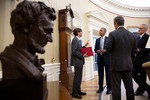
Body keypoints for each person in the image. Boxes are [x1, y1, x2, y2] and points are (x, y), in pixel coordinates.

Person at [0, 0, 56, 100]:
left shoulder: (31, 61)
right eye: (47, 31)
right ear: (26, 26)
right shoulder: (10, 59)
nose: (50, 39)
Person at [106, 16, 136, 100]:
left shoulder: (112, 34)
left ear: (115, 23)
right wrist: (131, 61)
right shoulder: (132, 35)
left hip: (116, 66)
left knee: (116, 88)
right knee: (129, 87)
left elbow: (108, 48)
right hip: (128, 65)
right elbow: (134, 52)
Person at [132, 24, 150, 99]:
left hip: (144, 60)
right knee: (133, 73)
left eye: (140, 28)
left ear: (145, 29)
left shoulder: (148, 37)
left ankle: (141, 90)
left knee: (142, 77)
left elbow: (149, 49)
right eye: (138, 28)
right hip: (136, 60)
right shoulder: (136, 37)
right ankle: (148, 89)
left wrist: (140, 50)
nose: (138, 29)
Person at [71, 28, 89, 99]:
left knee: (79, 78)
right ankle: (74, 93)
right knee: (77, 78)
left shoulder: (78, 40)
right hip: (77, 62)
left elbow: (79, 49)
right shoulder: (75, 40)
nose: (82, 33)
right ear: (78, 33)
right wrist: (82, 55)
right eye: (81, 32)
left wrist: (85, 46)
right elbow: (74, 51)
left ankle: (78, 91)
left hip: (79, 62)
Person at [94, 27, 111, 94]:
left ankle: (109, 88)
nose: (100, 31)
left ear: (105, 32)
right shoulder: (97, 40)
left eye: (101, 30)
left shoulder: (108, 39)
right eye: (99, 30)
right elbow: (95, 49)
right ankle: (100, 88)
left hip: (107, 59)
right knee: (100, 74)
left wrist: (106, 50)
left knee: (108, 74)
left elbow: (111, 48)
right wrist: (97, 51)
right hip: (100, 59)